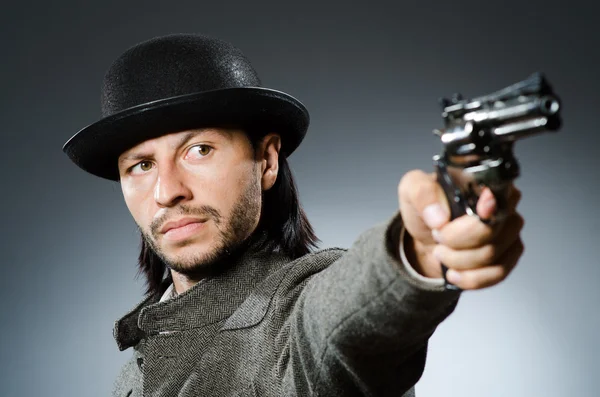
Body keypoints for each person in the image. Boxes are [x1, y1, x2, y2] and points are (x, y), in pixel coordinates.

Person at [62, 34, 524, 397]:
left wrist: (416, 253)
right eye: (141, 166)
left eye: (199, 150)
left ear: (266, 161)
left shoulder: (296, 314)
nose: (167, 191)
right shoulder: (133, 372)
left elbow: (343, 321)